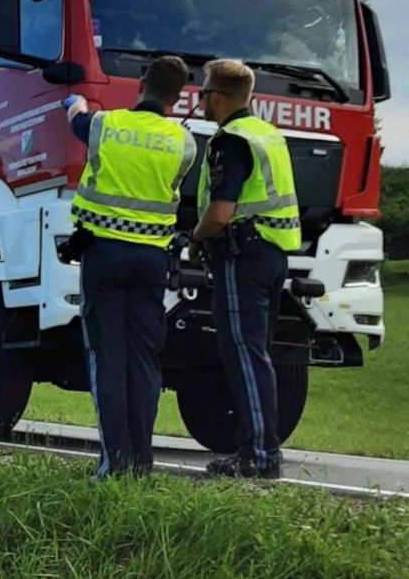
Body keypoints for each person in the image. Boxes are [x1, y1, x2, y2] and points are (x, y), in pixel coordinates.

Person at [67, 55, 198, 478]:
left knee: (108, 358)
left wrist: (74, 103)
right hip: (151, 262)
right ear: (178, 96)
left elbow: (78, 123)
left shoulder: (106, 125)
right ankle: (142, 464)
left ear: (142, 83)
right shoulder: (184, 143)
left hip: (103, 256)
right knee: (143, 361)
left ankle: (114, 464)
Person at [191, 59, 301, 479]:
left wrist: (197, 237)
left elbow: (221, 213)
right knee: (258, 353)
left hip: (243, 255)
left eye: (204, 92)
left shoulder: (231, 140)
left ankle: (257, 455)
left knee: (243, 353)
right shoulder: (268, 134)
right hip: (273, 253)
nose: (200, 99)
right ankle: (261, 450)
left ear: (218, 97)